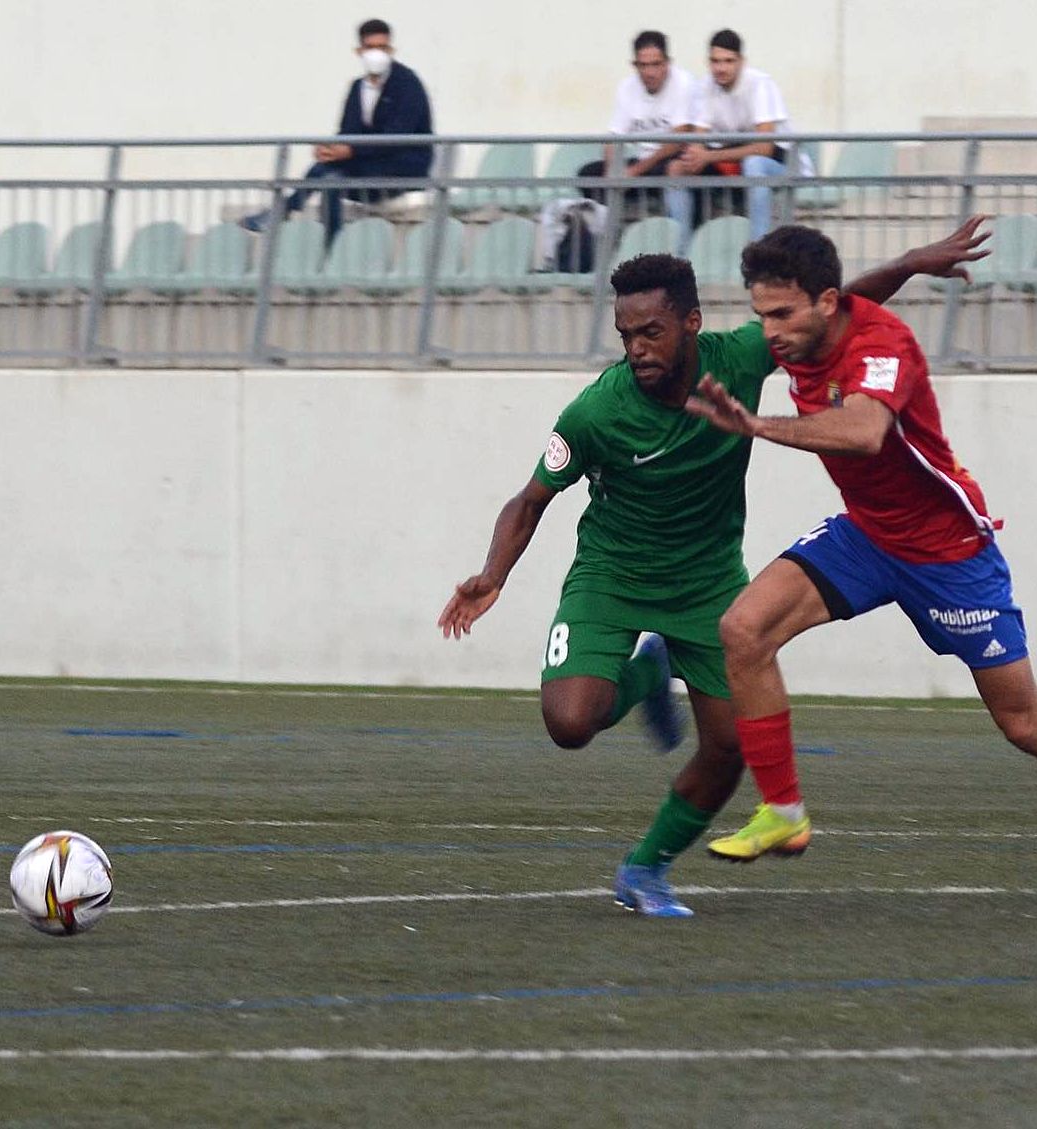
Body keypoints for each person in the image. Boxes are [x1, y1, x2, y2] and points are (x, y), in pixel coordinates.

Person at [437, 219, 991, 918]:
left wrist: (914, 260)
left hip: (707, 582)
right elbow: (530, 499)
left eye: (652, 332)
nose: (637, 348)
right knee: (569, 722)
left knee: (732, 748)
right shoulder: (596, 411)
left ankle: (645, 871)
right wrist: (493, 574)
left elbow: (836, 300)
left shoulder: (737, 357)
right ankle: (644, 672)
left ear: (691, 322)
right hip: (613, 577)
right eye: (626, 335)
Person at [685, 224, 1037, 926]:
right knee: (743, 628)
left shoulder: (883, 345)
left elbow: (863, 432)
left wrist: (757, 426)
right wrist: (911, 261)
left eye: (782, 315)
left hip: (949, 556)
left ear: (824, 303)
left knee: (1025, 723)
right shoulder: (808, 326)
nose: (768, 332)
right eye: (761, 313)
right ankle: (784, 810)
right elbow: (851, 295)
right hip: (866, 535)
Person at [240, 18, 433, 243]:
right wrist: (331, 148)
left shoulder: (407, 84)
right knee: (327, 175)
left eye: (383, 48)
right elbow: (347, 133)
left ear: (391, 50)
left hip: (403, 169)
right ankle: (332, 248)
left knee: (325, 174)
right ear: (359, 51)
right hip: (369, 167)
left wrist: (349, 152)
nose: (377, 54)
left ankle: (283, 212)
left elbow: (396, 138)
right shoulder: (357, 88)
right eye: (371, 48)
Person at [663, 29, 812, 252]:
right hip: (734, 159)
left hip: (780, 162)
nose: (721, 68)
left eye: (728, 61)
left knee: (754, 164)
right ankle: (678, 257)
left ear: (741, 62)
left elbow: (765, 146)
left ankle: (758, 252)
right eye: (715, 61)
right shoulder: (704, 87)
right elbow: (698, 140)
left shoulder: (760, 84)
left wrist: (708, 155)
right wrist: (692, 158)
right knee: (676, 169)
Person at [577, 31, 694, 211]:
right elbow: (614, 137)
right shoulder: (627, 87)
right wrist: (612, 170)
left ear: (667, 63)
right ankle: (612, 230)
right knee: (587, 174)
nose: (650, 72)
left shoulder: (683, 82)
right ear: (634, 65)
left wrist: (634, 171)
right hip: (642, 164)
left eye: (656, 65)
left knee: (673, 168)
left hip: (667, 161)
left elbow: (679, 139)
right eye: (643, 66)